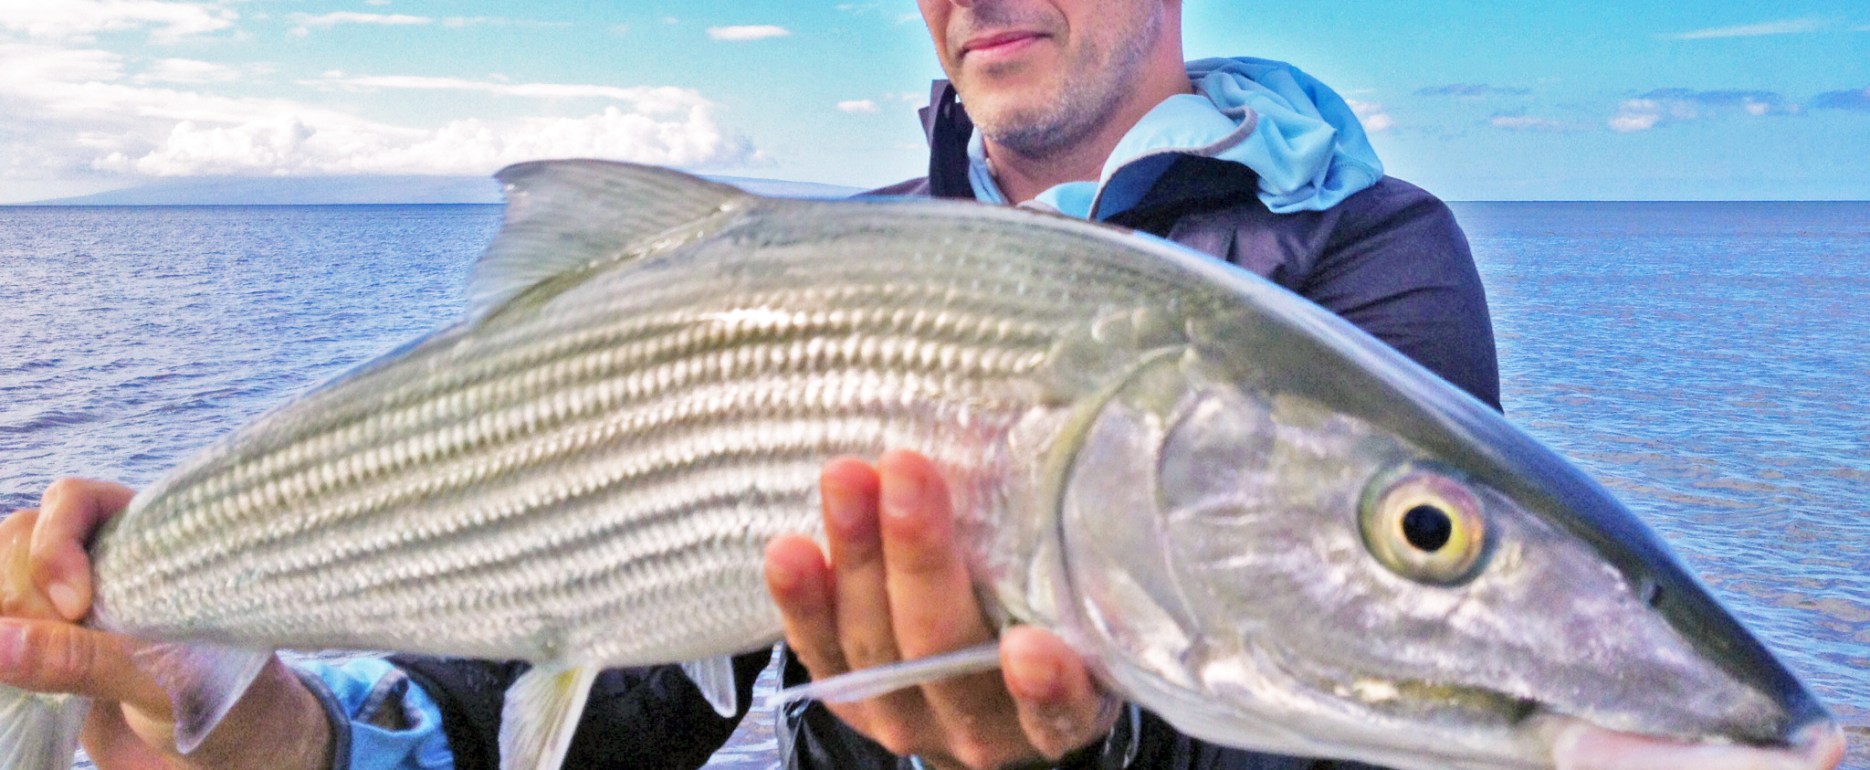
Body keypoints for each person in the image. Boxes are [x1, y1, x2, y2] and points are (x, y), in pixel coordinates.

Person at [0, 1, 1504, 770]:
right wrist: (218, 691)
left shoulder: (1362, 250)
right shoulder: (795, 279)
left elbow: (1377, 710)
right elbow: (520, 719)